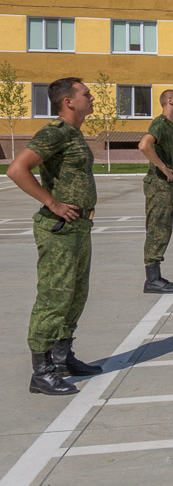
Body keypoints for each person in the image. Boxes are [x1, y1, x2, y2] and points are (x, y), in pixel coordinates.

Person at [6, 77, 103, 395]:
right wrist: (52, 203)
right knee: (54, 298)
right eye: (86, 94)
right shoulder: (55, 132)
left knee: (75, 296)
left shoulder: (74, 134)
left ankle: (62, 357)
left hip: (79, 227)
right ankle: (41, 371)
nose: (92, 97)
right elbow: (17, 169)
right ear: (68, 101)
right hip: (59, 230)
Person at [138, 90, 173, 295]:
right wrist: (163, 167)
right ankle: (152, 280)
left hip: (164, 185)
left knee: (163, 229)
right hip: (158, 184)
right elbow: (144, 145)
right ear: (170, 101)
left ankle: (155, 276)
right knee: (158, 229)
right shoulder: (160, 123)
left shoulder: (168, 125)